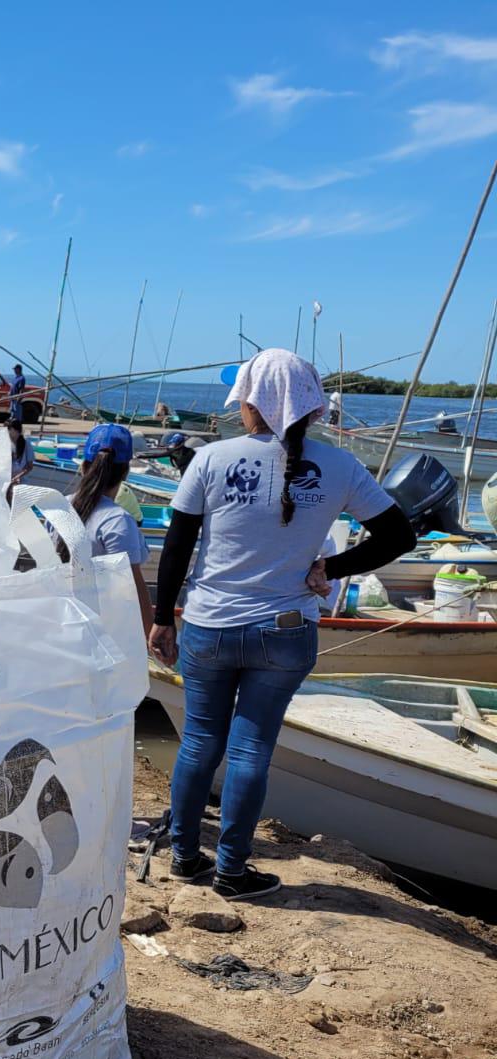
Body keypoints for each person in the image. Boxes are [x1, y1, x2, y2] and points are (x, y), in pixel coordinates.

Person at [148, 348, 416, 900]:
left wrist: (161, 618)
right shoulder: (340, 466)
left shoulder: (210, 459)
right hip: (286, 629)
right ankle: (231, 870)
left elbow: (175, 548)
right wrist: (331, 568)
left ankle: (182, 855)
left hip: (210, 625)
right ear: (309, 406)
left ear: (252, 403)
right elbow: (399, 537)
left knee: (199, 742)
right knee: (250, 750)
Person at [68, 425, 151, 634]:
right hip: (105, 631)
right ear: (126, 472)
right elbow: (131, 586)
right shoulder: (118, 520)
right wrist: (150, 636)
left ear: (83, 467)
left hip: (65, 621)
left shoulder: (62, 507)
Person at [6, 418, 34, 485]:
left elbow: (30, 466)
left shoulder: (26, 444)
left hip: (21, 481)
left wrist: (17, 477)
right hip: (5, 480)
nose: (6, 432)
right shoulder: (4, 442)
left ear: (17, 430)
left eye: (9, 430)